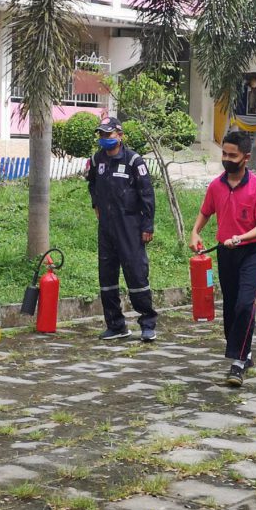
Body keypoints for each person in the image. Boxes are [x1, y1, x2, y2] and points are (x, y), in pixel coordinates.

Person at [189, 131, 256, 387]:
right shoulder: (216, 185)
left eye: (232, 155)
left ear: (246, 158)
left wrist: (241, 238)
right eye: (224, 154)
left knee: (245, 304)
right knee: (230, 305)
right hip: (226, 252)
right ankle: (243, 352)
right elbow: (206, 212)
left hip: (252, 252)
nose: (226, 159)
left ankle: (238, 360)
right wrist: (195, 232)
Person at [87, 117, 158, 342]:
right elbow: (92, 183)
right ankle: (116, 325)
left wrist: (147, 225)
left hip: (130, 226)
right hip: (106, 228)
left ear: (120, 135)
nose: (104, 138)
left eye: (108, 134)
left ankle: (147, 324)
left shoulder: (133, 161)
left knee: (136, 275)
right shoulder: (97, 159)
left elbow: (147, 194)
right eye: (101, 134)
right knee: (107, 278)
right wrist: (96, 205)